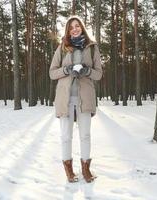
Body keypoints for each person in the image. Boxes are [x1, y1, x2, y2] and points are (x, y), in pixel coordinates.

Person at [49, 16, 102, 183]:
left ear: (82, 27)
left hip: (84, 99)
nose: (74, 29)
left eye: (77, 26)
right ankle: (69, 171)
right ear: (68, 31)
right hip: (65, 99)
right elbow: (52, 73)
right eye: (71, 27)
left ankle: (86, 170)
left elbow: (99, 74)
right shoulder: (63, 47)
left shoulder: (92, 48)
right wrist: (67, 69)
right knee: (66, 136)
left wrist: (86, 71)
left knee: (85, 135)